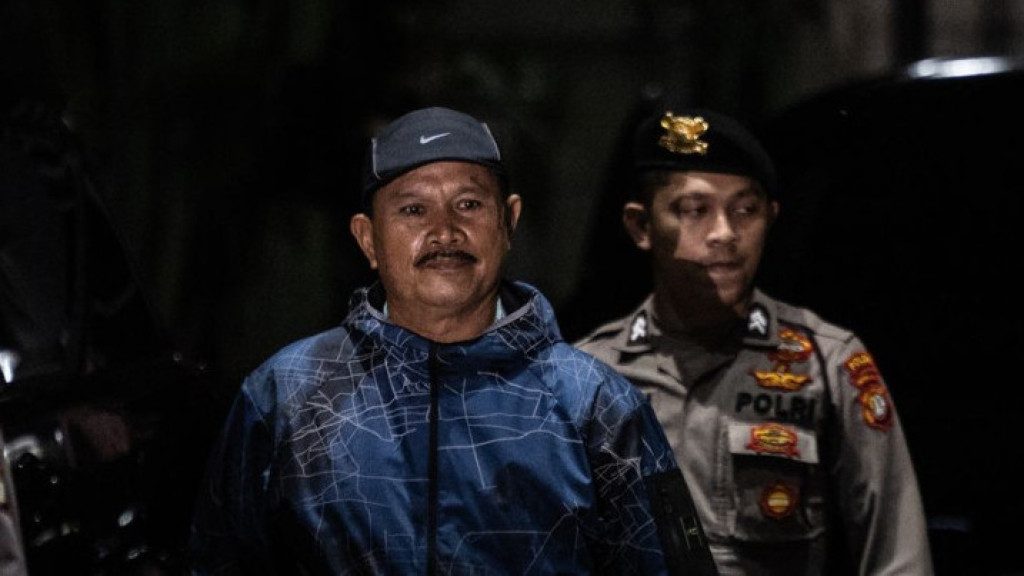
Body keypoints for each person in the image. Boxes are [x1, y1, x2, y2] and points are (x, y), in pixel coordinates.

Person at [188, 106, 718, 575]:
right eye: (412, 210)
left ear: (508, 222)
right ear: (368, 239)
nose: (444, 232)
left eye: (468, 204)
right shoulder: (287, 394)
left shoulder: (596, 404)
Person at [574, 105, 934, 575]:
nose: (724, 233)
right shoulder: (588, 376)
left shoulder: (826, 363)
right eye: (694, 211)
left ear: (771, 218)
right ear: (642, 226)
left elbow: (900, 560)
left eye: (745, 210)